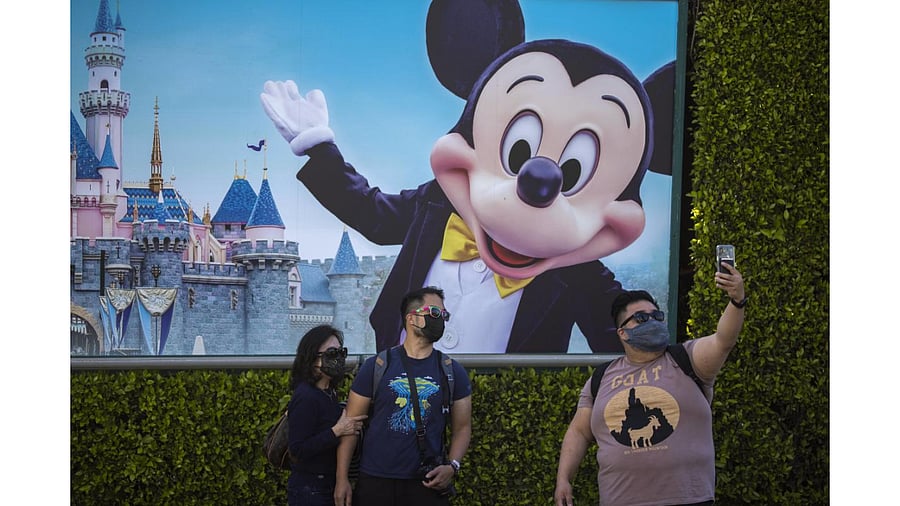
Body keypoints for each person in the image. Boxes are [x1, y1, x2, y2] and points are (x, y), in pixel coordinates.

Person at [554, 263, 747, 506]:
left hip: (689, 500)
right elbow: (579, 432)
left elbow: (724, 339)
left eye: (657, 316)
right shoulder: (601, 378)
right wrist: (564, 479)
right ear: (622, 333)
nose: (652, 322)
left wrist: (737, 300)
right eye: (641, 318)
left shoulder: (688, 359)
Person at [334, 286, 473, 506]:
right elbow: (351, 425)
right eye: (434, 313)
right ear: (412, 319)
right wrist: (341, 479)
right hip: (375, 482)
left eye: (444, 315)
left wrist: (452, 466)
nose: (441, 320)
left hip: (427, 483)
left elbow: (462, 428)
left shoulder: (452, 371)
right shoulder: (376, 366)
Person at [288, 325, 368, 506]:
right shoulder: (306, 396)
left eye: (341, 352)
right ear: (312, 358)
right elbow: (298, 450)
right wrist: (337, 431)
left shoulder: (329, 392)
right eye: (331, 353)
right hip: (310, 488)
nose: (338, 358)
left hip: (327, 484)